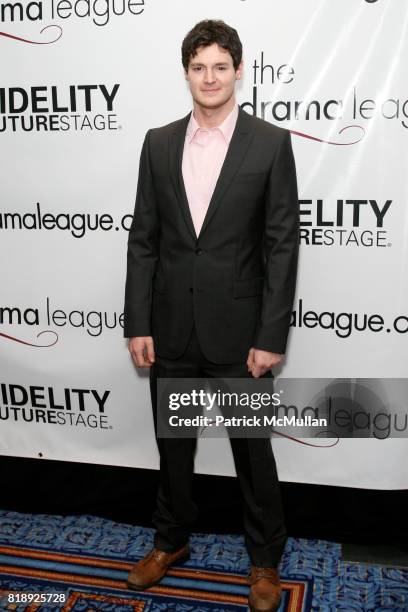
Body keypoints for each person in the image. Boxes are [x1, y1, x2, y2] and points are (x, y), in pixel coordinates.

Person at [123, 19, 299, 612]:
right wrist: (138, 322)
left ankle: (265, 562)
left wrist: (271, 334)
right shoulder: (158, 142)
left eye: (220, 66)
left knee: (253, 451)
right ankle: (170, 543)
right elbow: (143, 238)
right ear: (186, 74)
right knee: (174, 445)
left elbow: (281, 244)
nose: (209, 77)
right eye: (199, 67)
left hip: (241, 335)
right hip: (171, 328)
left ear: (239, 71)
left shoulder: (270, 143)